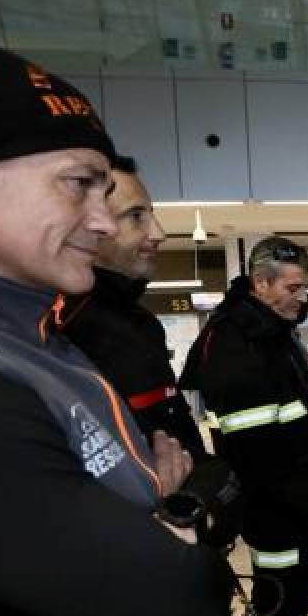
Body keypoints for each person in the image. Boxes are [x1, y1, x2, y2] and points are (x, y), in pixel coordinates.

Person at [0, 26, 233, 616]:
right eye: (79, 184)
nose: (101, 221)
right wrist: (161, 538)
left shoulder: (28, 329)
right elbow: (178, 602)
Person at [58, 154, 240, 547]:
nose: (158, 232)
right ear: (92, 223)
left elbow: (169, 435)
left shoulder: (138, 324)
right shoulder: (65, 327)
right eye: (136, 216)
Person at [181, 236, 308, 616]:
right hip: (275, 512)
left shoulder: (274, 333)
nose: (303, 298)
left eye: (305, 287)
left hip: (297, 504)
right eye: (293, 288)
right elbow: (260, 451)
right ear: (261, 283)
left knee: (301, 590)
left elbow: (296, 418)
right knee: (279, 608)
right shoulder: (236, 344)